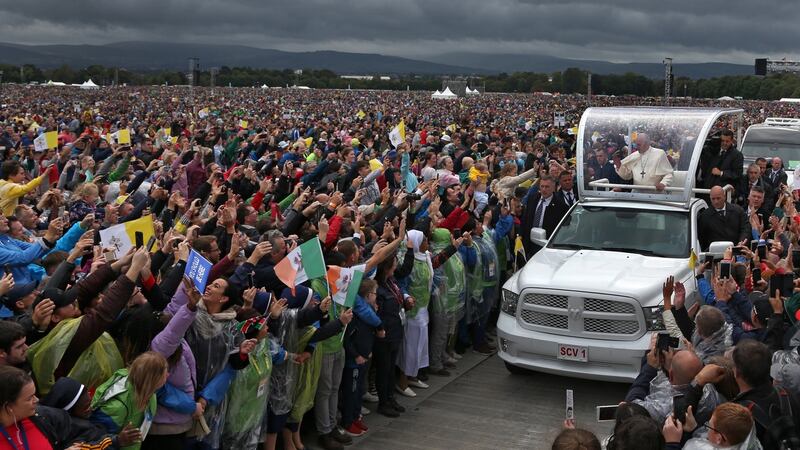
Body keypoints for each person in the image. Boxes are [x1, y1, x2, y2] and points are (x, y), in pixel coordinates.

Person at [90, 352, 169, 450]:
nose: (168, 376)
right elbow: (95, 441)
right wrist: (118, 440)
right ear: (153, 379)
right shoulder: (117, 406)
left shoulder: (150, 392)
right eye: (165, 374)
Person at [520, 175, 566, 255]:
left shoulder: (561, 206)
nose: (544, 189)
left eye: (547, 187)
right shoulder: (532, 199)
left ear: (553, 187)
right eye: (542, 186)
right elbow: (525, 220)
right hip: (529, 244)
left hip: (546, 245)